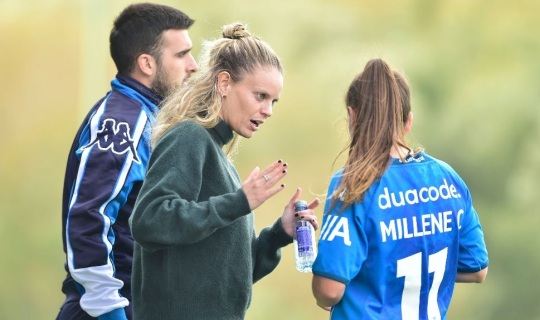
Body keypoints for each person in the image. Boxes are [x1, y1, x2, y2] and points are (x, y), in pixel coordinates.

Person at [129, 22, 320, 320]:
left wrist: (278, 235)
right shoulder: (188, 138)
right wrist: (238, 202)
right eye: (260, 96)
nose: (268, 110)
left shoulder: (222, 164)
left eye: (273, 101)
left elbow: (229, 280)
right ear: (224, 83)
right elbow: (149, 220)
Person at [311, 58, 489, 319]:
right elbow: (477, 269)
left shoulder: (353, 184)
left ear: (352, 116)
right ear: (408, 122)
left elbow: (328, 290)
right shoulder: (448, 179)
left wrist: (380, 271)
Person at [57, 3, 198, 320]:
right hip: (110, 309)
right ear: (147, 63)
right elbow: (88, 220)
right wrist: (109, 309)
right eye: (181, 54)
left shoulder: (147, 115)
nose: (193, 65)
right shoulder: (123, 123)